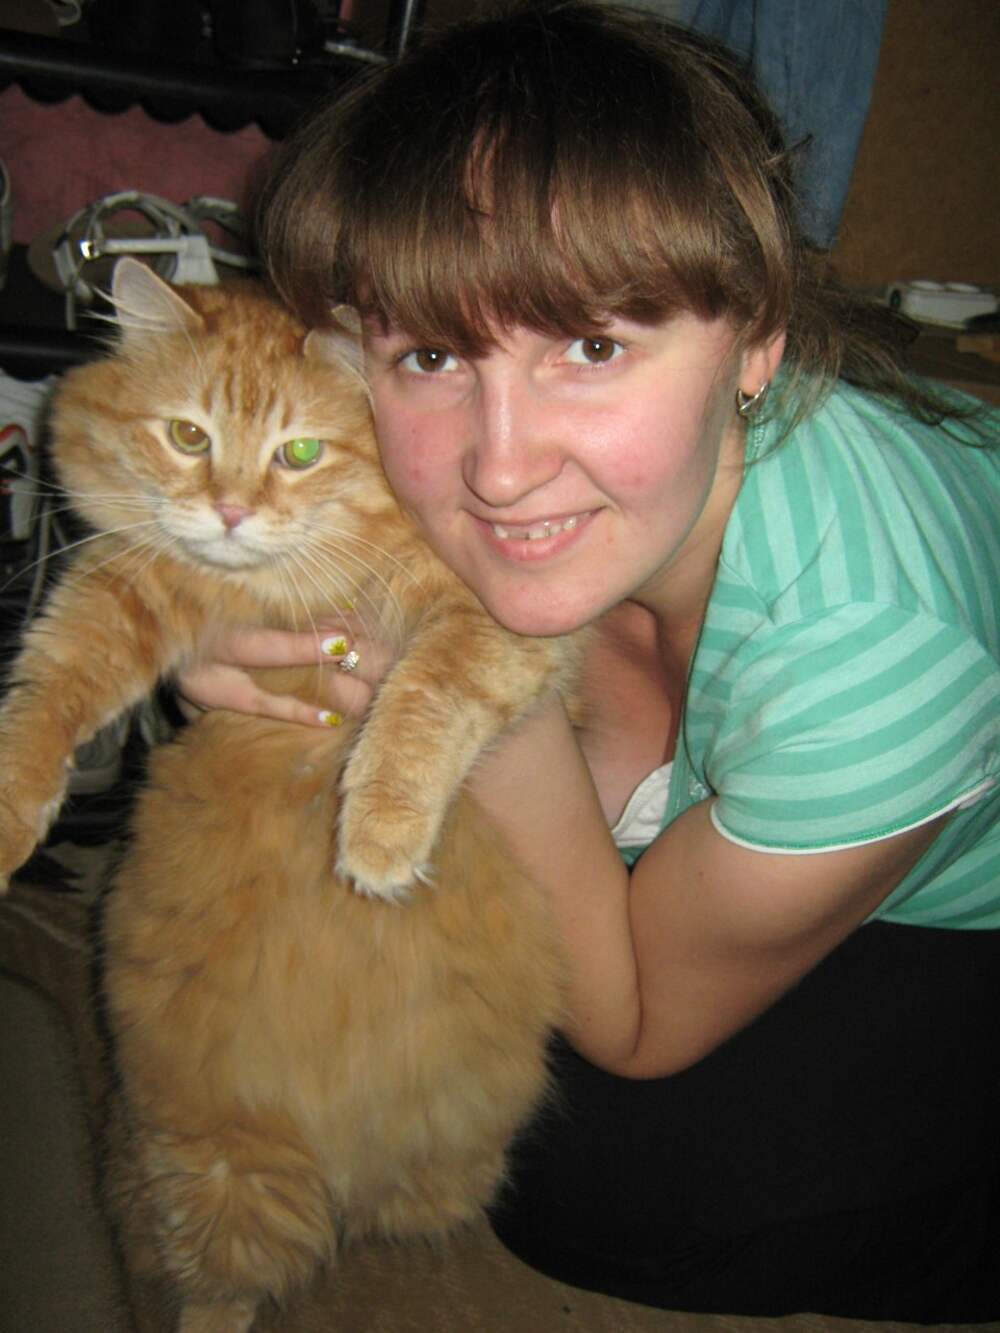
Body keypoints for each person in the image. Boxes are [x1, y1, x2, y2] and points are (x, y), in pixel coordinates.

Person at [179, 2, 1000, 1320]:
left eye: (594, 345)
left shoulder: (880, 660)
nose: (500, 468)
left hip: (957, 902)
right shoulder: (419, 448)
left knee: (587, 1165)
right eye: (432, 352)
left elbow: (638, 1023)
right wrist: (239, 609)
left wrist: (466, 696)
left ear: (758, 341)